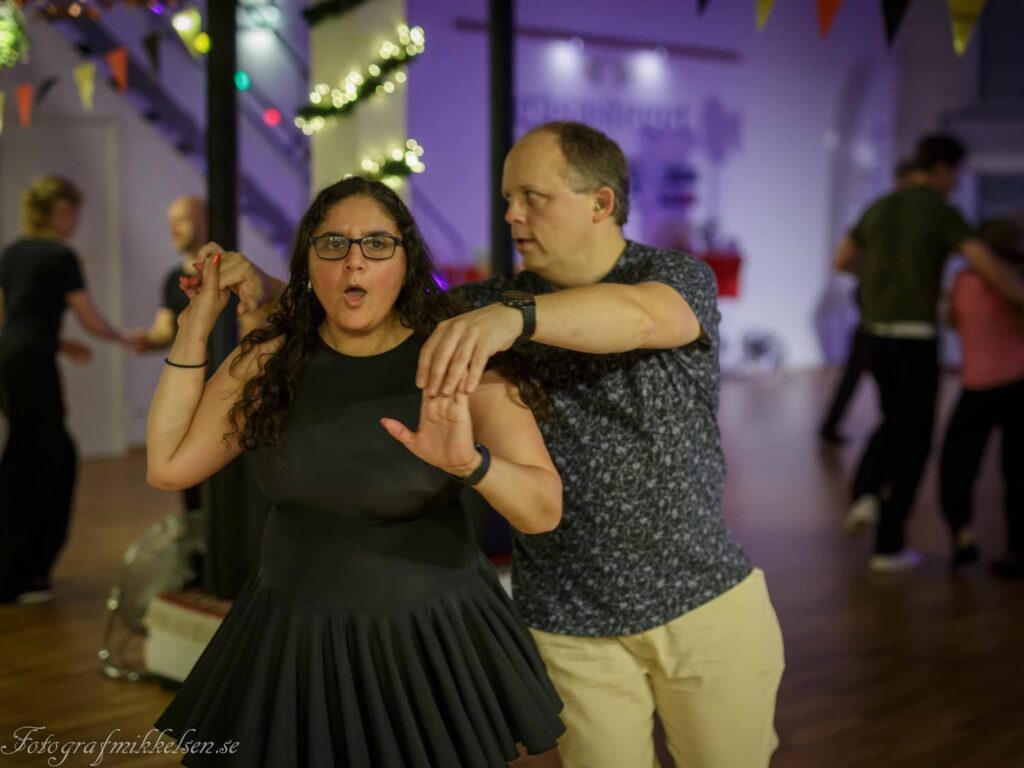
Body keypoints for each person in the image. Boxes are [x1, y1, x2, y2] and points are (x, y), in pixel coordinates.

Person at [194, 122, 785, 768]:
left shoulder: (670, 276)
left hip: (703, 604)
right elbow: (369, 314)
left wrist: (516, 319)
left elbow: (643, 318)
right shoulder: (485, 305)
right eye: (508, 199)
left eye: (533, 198)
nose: (512, 215)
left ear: (601, 203)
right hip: (569, 622)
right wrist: (270, 289)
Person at [146, 177, 565, 767]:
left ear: (406, 260)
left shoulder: (456, 357)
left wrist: (470, 464)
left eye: (377, 244)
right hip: (293, 634)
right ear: (308, 262)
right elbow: (168, 466)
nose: (354, 262)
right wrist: (196, 325)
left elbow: (543, 510)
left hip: (430, 638)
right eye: (333, 244)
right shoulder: (271, 359)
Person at [833, 134, 1024, 571]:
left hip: (874, 334)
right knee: (916, 441)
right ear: (942, 169)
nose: (956, 183)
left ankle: (865, 493)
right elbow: (988, 266)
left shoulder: (881, 206)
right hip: (914, 338)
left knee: (892, 422)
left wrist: (880, 281)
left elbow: (842, 259)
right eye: (955, 174)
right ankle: (889, 545)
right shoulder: (940, 211)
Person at [0, 176, 138, 604]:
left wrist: (56, 343)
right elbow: (89, 318)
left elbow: (9, 320)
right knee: (51, 461)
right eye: (71, 211)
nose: (75, 219)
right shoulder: (60, 255)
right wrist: (124, 337)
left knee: (26, 457)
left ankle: (17, 569)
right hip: (31, 364)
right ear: (57, 211)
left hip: (9, 362)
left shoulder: (13, 252)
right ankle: (24, 574)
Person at [939, 218, 1024, 575]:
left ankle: (964, 540)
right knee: (1014, 473)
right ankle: (1013, 549)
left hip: (981, 386)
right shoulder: (1010, 282)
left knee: (957, 470)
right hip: (1011, 384)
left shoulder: (965, 282)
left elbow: (953, 321)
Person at [820, 159, 918, 445]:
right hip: (880, 309)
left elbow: (843, 259)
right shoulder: (890, 214)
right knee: (878, 371)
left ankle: (832, 424)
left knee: (859, 368)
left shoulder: (880, 211)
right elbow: (843, 260)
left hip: (873, 304)